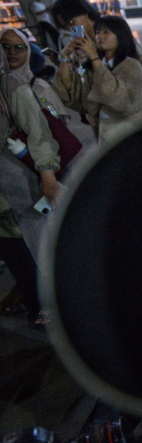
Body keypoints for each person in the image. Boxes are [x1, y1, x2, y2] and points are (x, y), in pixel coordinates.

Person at [0, 37, 61, 328]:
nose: (11, 53)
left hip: (20, 188)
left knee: (38, 250)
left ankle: (50, 309)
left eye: (17, 47)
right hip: (4, 198)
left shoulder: (14, 87)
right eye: (6, 47)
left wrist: (48, 177)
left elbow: (40, 135)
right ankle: (34, 302)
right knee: (15, 254)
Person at [55, 16, 142, 145]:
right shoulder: (96, 65)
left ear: (120, 35)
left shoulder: (131, 66)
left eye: (106, 32)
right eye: (97, 32)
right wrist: (64, 57)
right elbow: (72, 91)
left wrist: (93, 56)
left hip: (129, 136)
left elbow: (118, 98)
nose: (99, 36)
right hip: (106, 135)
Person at [51, 0, 142, 84]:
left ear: (84, 13)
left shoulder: (113, 29)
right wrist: (66, 64)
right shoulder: (80, 44)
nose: (70, 29)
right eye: (65, 27)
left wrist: (122, 84)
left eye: (71, 23)